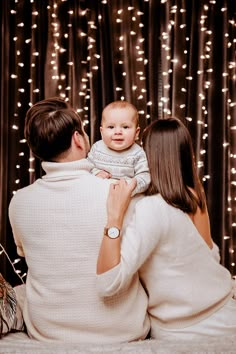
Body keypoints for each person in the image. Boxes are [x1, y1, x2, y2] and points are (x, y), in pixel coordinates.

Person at [8, 97, 150, 343]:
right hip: (123, 329)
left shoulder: (18, 202)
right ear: (77, 139)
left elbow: (24, 253)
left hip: (48, 331)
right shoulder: (120, 194)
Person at [96, 117, 236, 340]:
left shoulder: (149, 208)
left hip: (187, 328)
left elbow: (108, 283)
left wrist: (114, 217)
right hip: (226, 310)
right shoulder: (193, 192)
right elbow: (212, 254)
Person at [87, 100, 150, 196]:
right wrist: (96, 173)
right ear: (102, 131)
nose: (118, 132)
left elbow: (145, 177)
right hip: (98, 194)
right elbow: (87, 167)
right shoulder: (97, 148)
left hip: (126, 197)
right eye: (111, 127)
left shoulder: (137, 153)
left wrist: (129, 187)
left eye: (125, 127)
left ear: (136, 132)